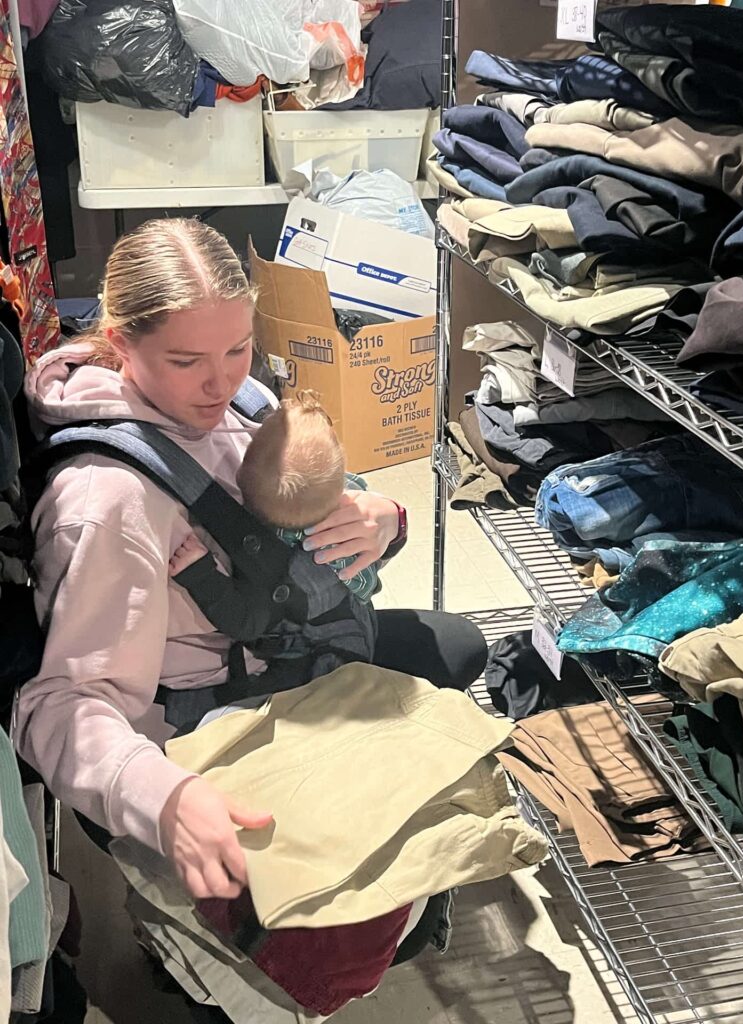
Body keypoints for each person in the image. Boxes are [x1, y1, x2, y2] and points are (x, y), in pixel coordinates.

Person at [17, 217, 488, 904]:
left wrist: (384, 519)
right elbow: (60, 703)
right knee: (345, 911)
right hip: (212, 716)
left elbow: (320, 494)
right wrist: (165, 798)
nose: (218, 382)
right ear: (120, 343)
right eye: (186, 362)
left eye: (239, 347)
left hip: (289, 650)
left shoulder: (244, 399)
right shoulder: (107, 496)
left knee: (458, 649)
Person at [169, 388, 382, 633]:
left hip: (309, 657)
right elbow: (372, 577)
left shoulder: (264, 560)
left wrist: (200, 574)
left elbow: (245, 623)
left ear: (238, 477)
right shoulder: (354, 502)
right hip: (359, 629)